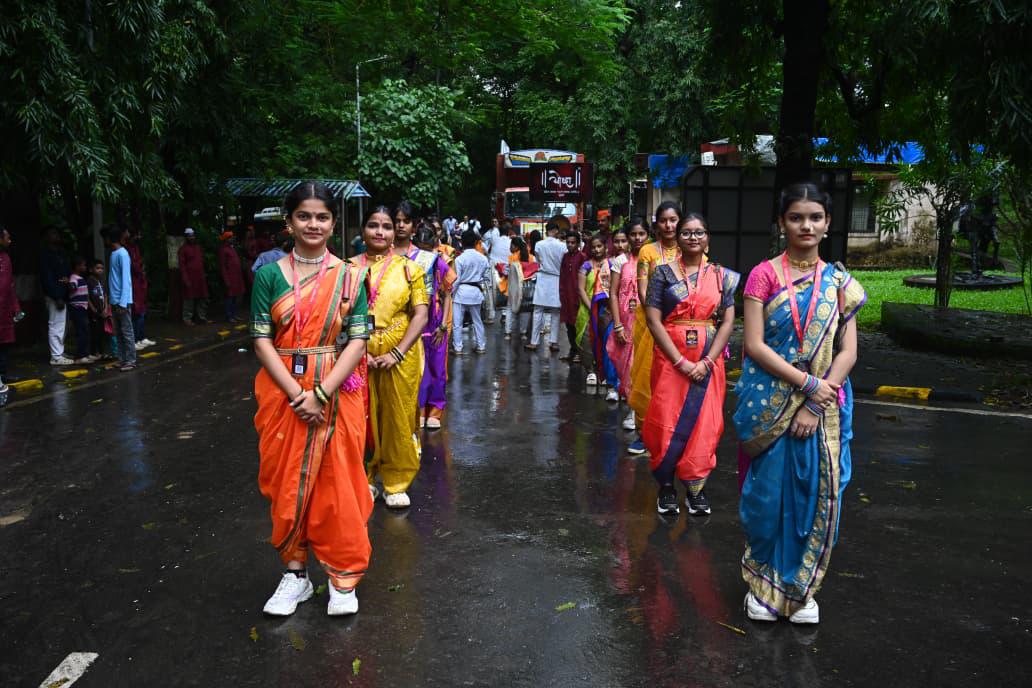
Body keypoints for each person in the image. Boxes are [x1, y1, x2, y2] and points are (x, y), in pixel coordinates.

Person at [734, 182, 865, 625]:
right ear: (781, 223)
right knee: (767, 496)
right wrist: (807, 384)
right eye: (796, 217)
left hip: (824, 405)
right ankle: (763, 584)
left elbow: (848, 351)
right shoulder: (763, 275)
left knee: (816, 494)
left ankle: (800, 589)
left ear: (827, 224)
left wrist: (816, 400)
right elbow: (755, 345)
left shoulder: (840, 284)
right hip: (771, 401)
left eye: (815, 217)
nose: (806, 225)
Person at [251, 181, 373, 617]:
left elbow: (358, 340)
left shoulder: (350, 276)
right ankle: (296, 574)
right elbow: (261, 340)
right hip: (282, 390)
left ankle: (343, 577)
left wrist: (320, 393)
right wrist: (296, 394)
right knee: (285, 484)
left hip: (335, 390)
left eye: (322, 217)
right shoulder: (268, 275)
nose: (313, 224)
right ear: (289, 222)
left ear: (333, 223)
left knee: (338, 485)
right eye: (304, 216)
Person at [642, 213, 738, 516]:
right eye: (686, 232)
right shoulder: (663, 273)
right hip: (670, 360)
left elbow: (728, 322)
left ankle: (697, 488)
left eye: (699, 232)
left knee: (706, 424)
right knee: (665, 420)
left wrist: (707, 361)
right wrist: (680, 361)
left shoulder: (722, 276)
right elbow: (653, 320)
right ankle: (666, 486)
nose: (693, 237)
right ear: (678, 238)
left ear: (707, 237)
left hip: (709, 361)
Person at [357, 206, 429, 509]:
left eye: (386, 226)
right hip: (356, 354)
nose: (380, 231)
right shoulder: (346, 269)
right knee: (359, 419)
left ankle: (396, 481)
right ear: (363, 230)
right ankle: (363, 479)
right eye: (373, 225)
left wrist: (396, 353)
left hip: (400, 354)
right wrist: (359, 353)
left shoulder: (410, 269)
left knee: (398, 417)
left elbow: (421, 314)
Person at [628, 201, 682, 455]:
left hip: (680, 323)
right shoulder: (648, 251)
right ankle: (644, 434)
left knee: (675, 378)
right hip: (650, 322)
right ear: (657, 224)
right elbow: (642, 289)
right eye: (663, 220)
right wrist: (657, 316)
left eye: (673, 220)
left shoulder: (688, 248)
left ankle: (672, 434)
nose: (668, 225)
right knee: (646, 375)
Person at [413, 223, 457, 429]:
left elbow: (447, 295)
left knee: (438, 369)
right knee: (420, 370)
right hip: (416, 322)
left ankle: (436, 412)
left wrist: (443, 326)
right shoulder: (408, 262)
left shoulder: (440, 264)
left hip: (436, 322)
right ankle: (420, 410)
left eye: (427, 248)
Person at [607, 219, 650, 431]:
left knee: (641, 366)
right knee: (627, 367)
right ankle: (633, 407)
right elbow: (613, 294)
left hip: (647, 322)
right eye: (633, 234)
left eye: (642, 234)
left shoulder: (653, 258)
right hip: (625, 320)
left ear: (648, 235)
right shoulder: (620, 261)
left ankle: (637, 412)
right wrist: (617, 325)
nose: (637, 238)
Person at [575, 234, 618, 399]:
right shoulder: (586, 266)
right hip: (588, 309)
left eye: (599, 246)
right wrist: (590, 306)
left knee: (606, 341)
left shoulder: (612, 264)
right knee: (587, 340)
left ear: (605, 247)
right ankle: (591, 371)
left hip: (607, 309)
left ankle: (605, 373)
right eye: (593, 247)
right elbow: (581, 289)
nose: (596, 249)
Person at [526, 223, 565, 351]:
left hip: (543, 277)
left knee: (538, 310)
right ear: (556, 231)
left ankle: (534, 342)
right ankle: (554, 342)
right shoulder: (562, 246)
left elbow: (538, 261)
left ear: (547, 231)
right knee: (555, 312)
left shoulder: (539, 244)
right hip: (557, 278)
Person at [451, 230, 489, 355]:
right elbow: (486, 277)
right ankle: (481, 346)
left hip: (461, 293)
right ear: (476, 242)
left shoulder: (459, 259)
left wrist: (450, 293)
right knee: (477, 321)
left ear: (461, 242)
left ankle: (458, 348)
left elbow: (456, 280)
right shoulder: (483, 258)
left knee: (457, 322)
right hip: (476, 292)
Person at [40, 227, 73, 365]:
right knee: (55, 324)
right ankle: (56, 356)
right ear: (46, 237)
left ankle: (59, 351)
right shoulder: (45, 255)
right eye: (52, 233)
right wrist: (56, 296)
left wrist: (67, 280)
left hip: (63, 292)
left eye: (56, 233)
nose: (56, 236)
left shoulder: (61, 253)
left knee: (62, 325)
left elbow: (66, 271)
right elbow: (47, 278)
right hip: (54, 295)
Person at [106, 225, 137, 372]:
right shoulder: (113, 254)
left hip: (121, 301)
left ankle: (130, 360)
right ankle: (122, 359)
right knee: (118, 332)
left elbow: (126, 280)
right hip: (115, 300)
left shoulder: (123, 254)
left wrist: (123, 302)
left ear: (110, 238)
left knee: (126, 332)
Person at [0, 226, 21, 400]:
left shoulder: (6, 258)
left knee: (4, 343)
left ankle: (2, 374)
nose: (9, 240)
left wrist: (16, 308)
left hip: (5, 310)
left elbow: (10, 285)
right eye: (7, 237)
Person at [560, 230, 587, 360]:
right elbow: (562, 275)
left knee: (578, 324)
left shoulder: (582, 257)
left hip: (577, 295)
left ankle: (579, 352)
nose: (570, 245)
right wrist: (561, 293)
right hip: (567, 295)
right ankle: (573, 350)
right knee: (569, 325)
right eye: (568, 242)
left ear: (578, 243)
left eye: (573, 242)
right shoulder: (565, 257)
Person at [126, 228, 155, 350]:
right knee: (136, 311)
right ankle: (136, 339)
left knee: (142, 310)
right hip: (134, 283)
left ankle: (141, 337)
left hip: (140, 282)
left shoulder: (136, 248)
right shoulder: (127, 249)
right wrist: (140, 268)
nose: (139, 238)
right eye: (136, 235)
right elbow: (135, 266)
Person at [505, 236, 537, 341]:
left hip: (513, 288)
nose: (510, 247)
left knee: (510, 309)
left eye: (511, 245)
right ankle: (523, 333)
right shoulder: (531, 257)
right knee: (525, 310)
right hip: (527, 288)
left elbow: (506, 272)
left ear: (515, 246)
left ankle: (508, 333)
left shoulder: (511, 258)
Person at [179, 227, 209, 325]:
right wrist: (185, 279)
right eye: (189, 236)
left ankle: (201, 317)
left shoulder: (198, 247)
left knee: (202, 297)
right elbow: (182, 266)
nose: (192, 238)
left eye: (193, 236)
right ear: (186, 237)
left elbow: (201, 261)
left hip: (200, 277)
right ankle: (187, 318)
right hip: (190, 278)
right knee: (189, 299)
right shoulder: (183, 250)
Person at [66, 256, 93, 364]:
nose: (85, 267)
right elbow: (72, 287)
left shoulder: (79, 278)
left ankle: (84, 354)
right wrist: (69, 284)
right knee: (82, 331)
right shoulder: (73, 278)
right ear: (77, 266)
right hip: (77, 307)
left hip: (82, 307)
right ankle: (80, 356)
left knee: (84, 331)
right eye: (83, 265)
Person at [86, 259, 112, 360]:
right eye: (97, 268)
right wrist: (94, 309)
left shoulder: (102, 280)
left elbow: (105, 294)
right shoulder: (89, 281)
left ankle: (101, 352)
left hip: (103, 310)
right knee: (94, 332)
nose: (100, 270)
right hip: (94, 312)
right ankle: (94, 352)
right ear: (91, 269)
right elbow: (87, 297)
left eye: (102, 268)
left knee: (102, 332)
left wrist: (106, 308)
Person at [218, 231, 246, 322]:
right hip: (229, 278)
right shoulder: (223, 250)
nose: (232, 239)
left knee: (234, 297)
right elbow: (222, 266)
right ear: (226, 239)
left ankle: (234, 315)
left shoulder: (232, 248)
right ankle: (228, 316)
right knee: (229, 297)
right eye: (230, 237)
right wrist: (226, 280)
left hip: (236, 277)